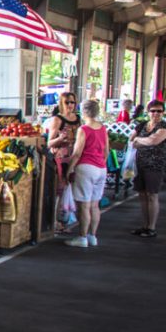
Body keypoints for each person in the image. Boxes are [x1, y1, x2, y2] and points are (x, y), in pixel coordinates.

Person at [65, 100, 108, 248]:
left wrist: (69, 169)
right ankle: (92, 236)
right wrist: (101, 162)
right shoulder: (103, 128)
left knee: (84, 205)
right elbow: (106, 151)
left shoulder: (83, 129)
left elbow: (77, 153)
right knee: (95, 205)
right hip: (101, 168)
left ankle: (82, 237)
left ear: (83, 112)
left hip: (86, 168)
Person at [130, 100, 166, 238]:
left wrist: (140, 140)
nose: (156, 114)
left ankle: (151, 227)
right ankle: (145, 225)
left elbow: (154, 141)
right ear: (148, 112)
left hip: (155, 166)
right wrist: (144, 140)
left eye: (159, 111)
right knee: (142, 195)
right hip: (140, 164)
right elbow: (131, 140)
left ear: (163, 112)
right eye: (153, 111)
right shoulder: (142, 125)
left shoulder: (164, 127)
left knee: (152, 195)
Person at [46, 91, 80, 232]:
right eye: (67, 102)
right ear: (61, 103)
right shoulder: (57, 119)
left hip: (75, 157)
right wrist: (59, 140)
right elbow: (49, 143)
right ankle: (54, 221)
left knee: (70, 189)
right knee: (59, 190)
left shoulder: (78, 119)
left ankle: (66, 219)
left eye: (72, 102)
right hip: (61, 158)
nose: (70, 105)